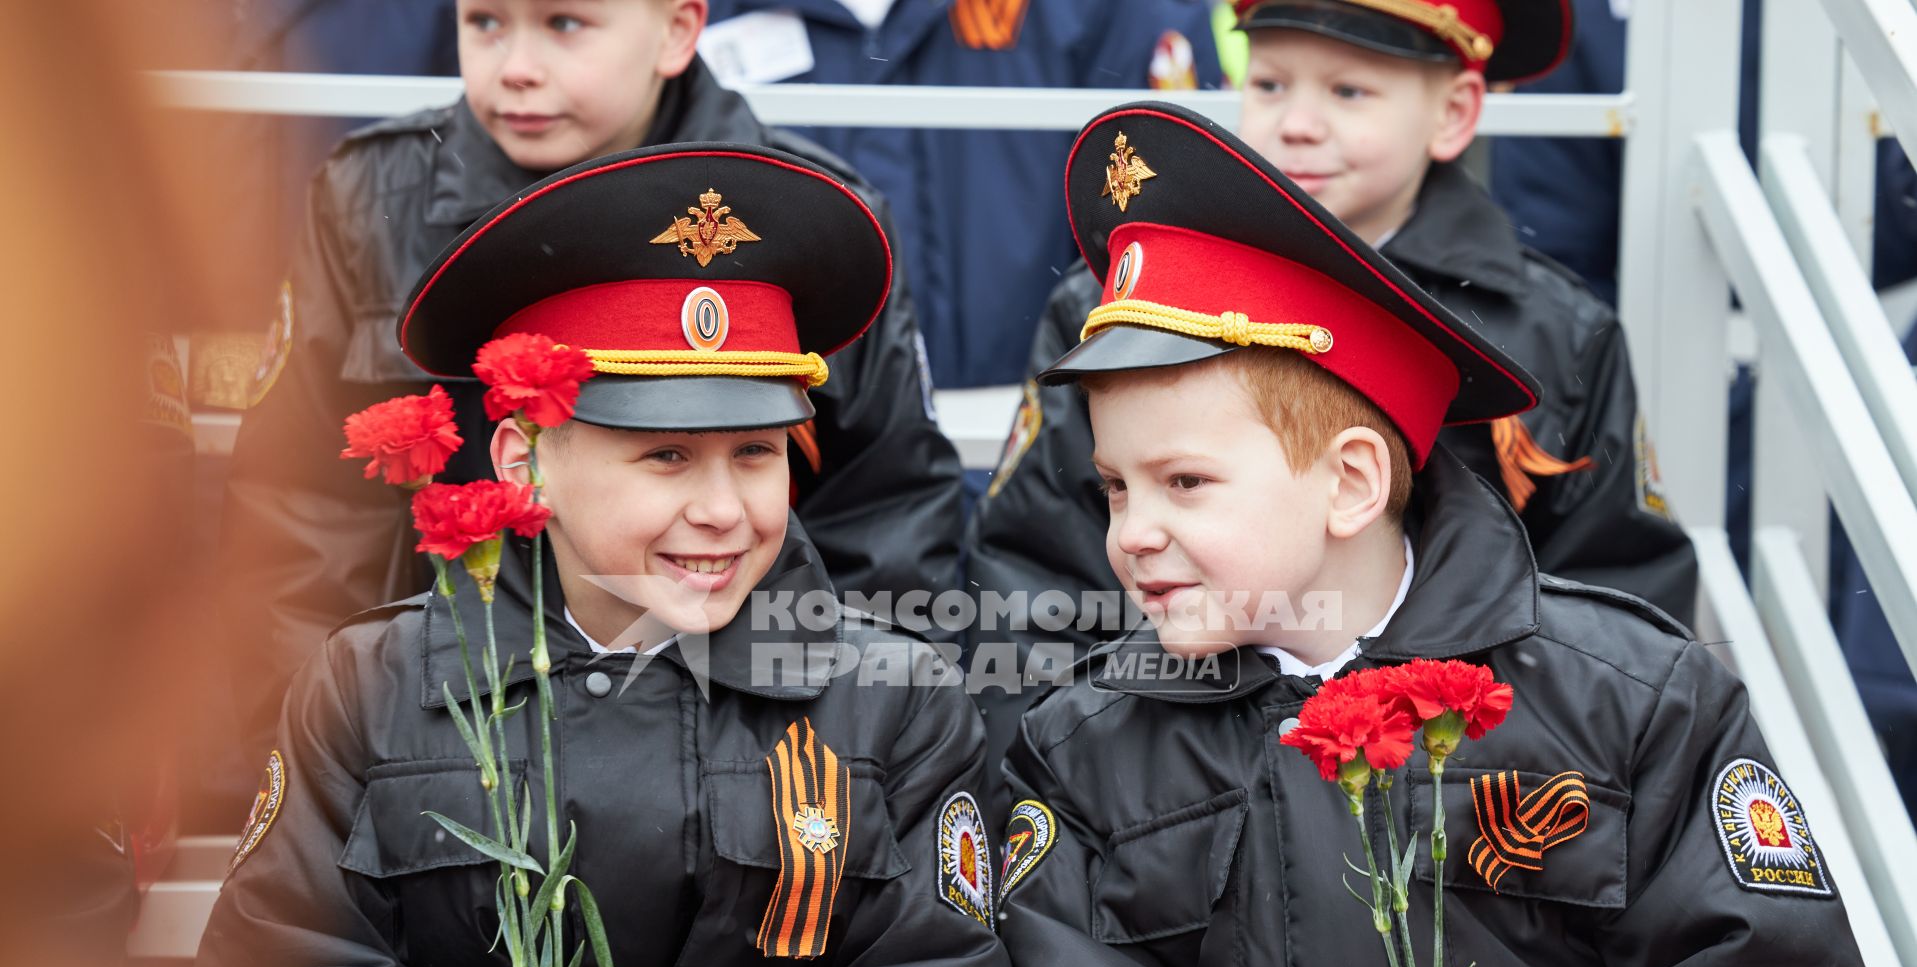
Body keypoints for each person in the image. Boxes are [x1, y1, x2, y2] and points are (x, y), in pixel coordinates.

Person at [996, 101, 1878, 967]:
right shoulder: (1082, 748)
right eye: (1112, 487)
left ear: (1353, 480)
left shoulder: (1637, 697)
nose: (1131, 534)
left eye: (1184, 482)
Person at [192, 143, 1015, 967]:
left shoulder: (892, 704)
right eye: (665, 455)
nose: (723, 507)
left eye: (759, 453)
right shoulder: (372, 685)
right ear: (526, 462)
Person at [964, 0, 1697, 822]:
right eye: (1269, 82)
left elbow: (1618, 580)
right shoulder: (1113, 312)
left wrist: (1515, 766)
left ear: (1453, 112)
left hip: (1474, 784)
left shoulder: (1557, 332)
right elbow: (1033, 580)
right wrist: (1050, 785)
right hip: (1176, 773)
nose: (1298, 124)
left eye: (1349, 93)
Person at [221, 0, 966, 767]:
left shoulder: (806, 220)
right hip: (446, 734)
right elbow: (300, 513)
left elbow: (891, 506)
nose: (514, 65)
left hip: (743, 737)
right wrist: (312, 757)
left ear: (677, 30)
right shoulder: (369, 201)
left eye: (564, 24)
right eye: (483, 23)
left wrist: (862, 753)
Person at [704, 0, 1224, 388]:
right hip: (784, 454)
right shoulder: (688, 18)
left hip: (1052, 452)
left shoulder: (1109, 12)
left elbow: (1172, 240)